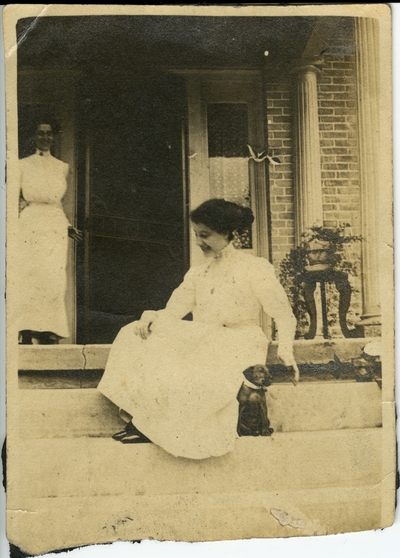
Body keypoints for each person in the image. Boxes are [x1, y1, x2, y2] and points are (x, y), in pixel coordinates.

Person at [97, 199, 299, 459]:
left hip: (240, 341)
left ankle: (151, 426)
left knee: (195, 360)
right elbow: (172, 313)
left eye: (205, 235)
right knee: (133, 332)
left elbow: (283, 313)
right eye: (196, 234)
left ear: (229, 234)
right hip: (205, 337)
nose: (198, 242)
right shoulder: (198, 272)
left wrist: (285, 349)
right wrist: (151, 316)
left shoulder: (254, 268)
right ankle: (146, 418)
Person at [18, 121, 82, 345]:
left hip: (54, 225)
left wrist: (67, 226)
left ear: (54, 137)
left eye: (49, 133)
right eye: (40, 133)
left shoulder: (61, 166)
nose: (45, 137)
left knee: (54, 278)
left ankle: (49, 329)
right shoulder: (22, 165)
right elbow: (15, 199)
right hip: (30, 223)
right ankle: (26, 328)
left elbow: (57, 204)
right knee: (30, 275)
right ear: (34, 137)